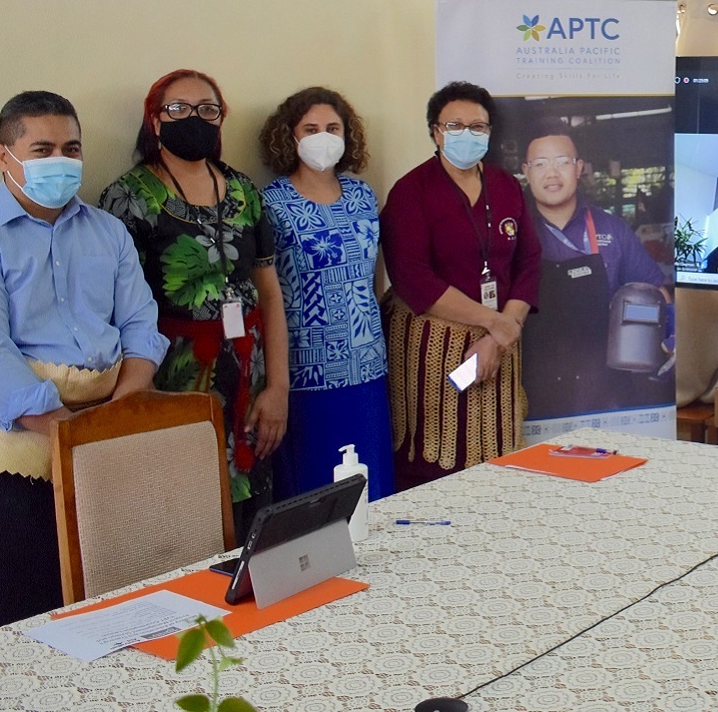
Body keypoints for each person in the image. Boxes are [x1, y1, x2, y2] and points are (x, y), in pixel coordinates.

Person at [0, 91, 168, 633]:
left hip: (107, 423)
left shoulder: (109, 232)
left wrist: (119, 415)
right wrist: (65, 432)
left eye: (71, 148)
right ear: (3, 155)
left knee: (120, 603)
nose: (61, 161)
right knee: (20, 607)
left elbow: (139, 328)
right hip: (12, 433)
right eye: (42, 149)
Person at [100, 70, 288, 539]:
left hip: (250, 376)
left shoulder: (245, 192)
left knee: (252, 525)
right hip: (172, 382)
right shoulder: (127, 200)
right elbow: (118, 311)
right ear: (155, 120)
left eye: (208, 109)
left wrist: (278, 389)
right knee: (185, 519)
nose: (194, 118)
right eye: (178, 109)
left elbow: (269, 293)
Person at [380, 81, 541, 490]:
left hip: (500, 344)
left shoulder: (506, 187)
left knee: (499, 458)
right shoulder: (410, 192)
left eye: (478, 126)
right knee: (435, 463)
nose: (467, 134)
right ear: (435, 131)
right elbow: (411, 276)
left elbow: (529, 260)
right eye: (455, 125)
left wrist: (499, 332)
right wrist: (496, 323)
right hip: (432, 347)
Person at [258, 88, 393, 503]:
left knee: (374, 491)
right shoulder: (272, 203)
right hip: (305, 376)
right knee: (316, 499)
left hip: (367, 368)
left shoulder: (362, 194)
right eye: (311, 128)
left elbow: (373, 276)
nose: (323, 137)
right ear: (290, 136)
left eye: (332, 128)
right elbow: (268, 293)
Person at [520, 121, 670, 418]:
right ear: (526, 171)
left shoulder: (611, 229)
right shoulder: (513, 232)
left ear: (579, 168)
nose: (552, 173)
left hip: (605, 394)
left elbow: (657, 295)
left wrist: (670, 339)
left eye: (562, 161)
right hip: (532, 393)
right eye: (540, 164)